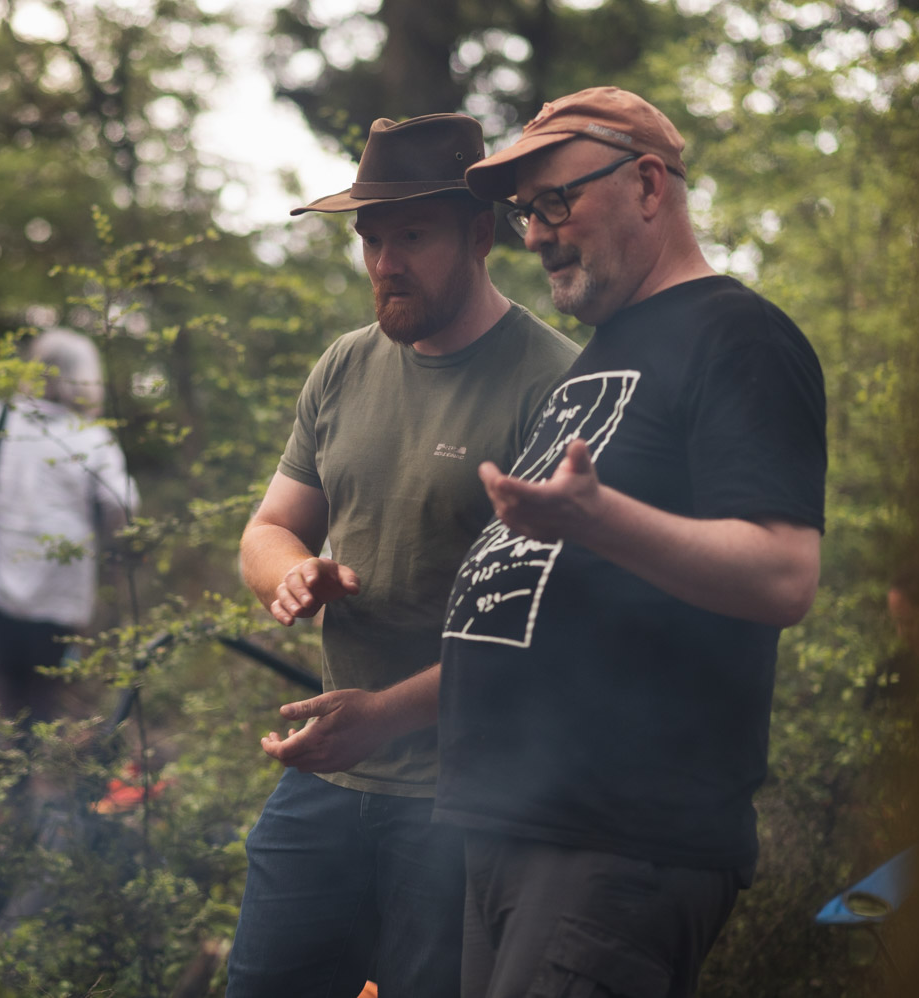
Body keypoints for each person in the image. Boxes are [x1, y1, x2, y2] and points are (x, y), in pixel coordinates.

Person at [437, 87, 827, 998]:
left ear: (649, 185)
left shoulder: (739, 337)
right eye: (524, 212)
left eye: (555, 201)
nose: (537, 235)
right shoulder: (603, 355)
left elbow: (785, 574)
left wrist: (599, 519)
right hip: (510, 833)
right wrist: (384, 712)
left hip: (620, 850)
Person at [231, 113, 579, 997]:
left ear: (479, 234)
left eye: (412, 236)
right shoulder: (344, 367)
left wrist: (385, 715)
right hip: (330, 776)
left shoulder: (554, 384)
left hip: (466, 801)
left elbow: (547, 630)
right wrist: (293, 573)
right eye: (371, 238)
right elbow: (268, 529)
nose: (386, 262)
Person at [0, 327, 135, 729]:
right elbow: (123, 504)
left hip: (2, 584)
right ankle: (32, 755)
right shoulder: (91, 437)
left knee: (2, 680)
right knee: (45, 691)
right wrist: (112, 538)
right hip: (63, 592)